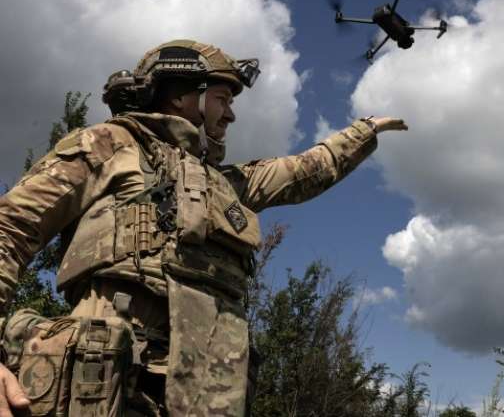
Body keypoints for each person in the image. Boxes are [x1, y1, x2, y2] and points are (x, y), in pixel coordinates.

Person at [0, 39, 407, 416]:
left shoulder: (227, 184)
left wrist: (364, 130)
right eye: (222, 99)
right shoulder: (110, 144)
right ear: (180, 95)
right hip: (109, 383)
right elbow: (12, 226)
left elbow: (304, 171)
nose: (230, 114)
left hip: (203, 393)